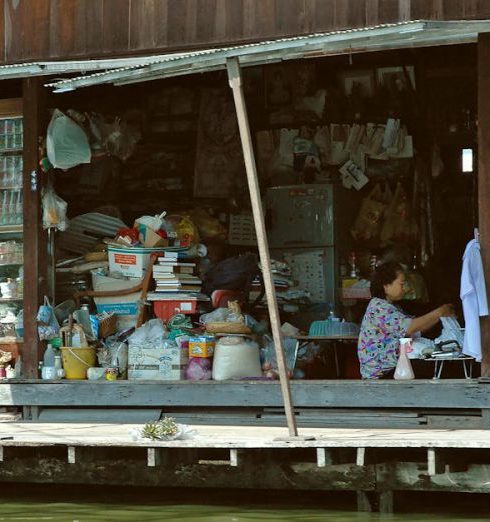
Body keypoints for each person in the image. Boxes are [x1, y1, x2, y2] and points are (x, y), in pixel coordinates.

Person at [358, 262, 454, 379]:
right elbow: (409, 328)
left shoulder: (393, 307)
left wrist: (440, 316)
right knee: (438, 368)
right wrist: (439, 313)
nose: (405, 289)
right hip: (381, 372)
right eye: (402, 284)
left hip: (394, 366)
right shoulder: (379, 307)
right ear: (386, 285)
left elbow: (415, 330)